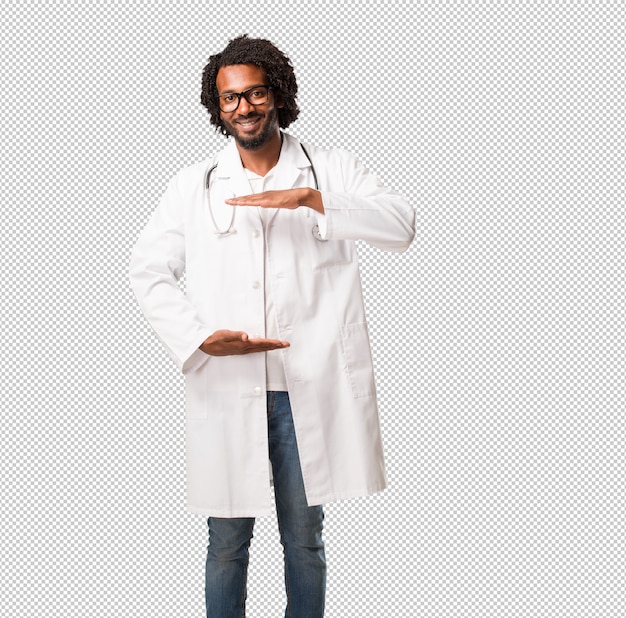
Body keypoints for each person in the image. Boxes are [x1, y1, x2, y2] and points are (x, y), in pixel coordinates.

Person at [129, 34, 415, 618]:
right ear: (218, 108)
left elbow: (402, 225)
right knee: (226, 545)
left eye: (256, 93)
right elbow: (147, 269)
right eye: (231, 98)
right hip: (230, 385)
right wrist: (198, 338)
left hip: (304, 388)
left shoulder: (332, 168)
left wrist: (316, 199)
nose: (244, 108)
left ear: (277, 94)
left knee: (304, 540)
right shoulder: (193, 185)